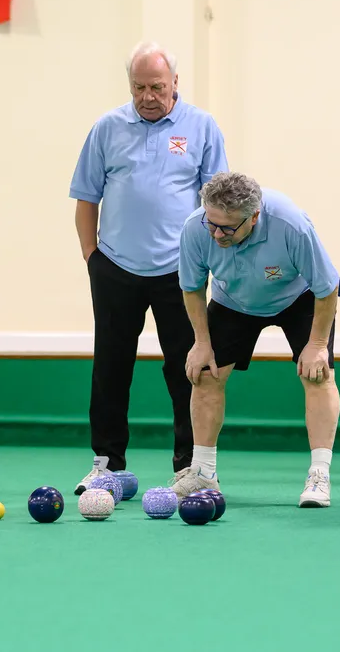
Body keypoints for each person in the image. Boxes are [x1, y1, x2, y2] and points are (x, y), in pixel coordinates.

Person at [69, 41, 229, 493]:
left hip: (182, 273)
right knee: (111, 368)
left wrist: (211, 262)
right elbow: (86, 197)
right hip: (115, 267)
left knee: (188, 368)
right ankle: (106, 463)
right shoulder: (108, 127)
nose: (147, 96)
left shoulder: (202, 127)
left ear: (175, 83)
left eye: (157, 86)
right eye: (138, 87)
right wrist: (91, 258)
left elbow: (218, 205)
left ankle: (189, 465)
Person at [174, 171, 340, 507]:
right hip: (233, 300)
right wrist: (202, 341)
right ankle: (204, 473)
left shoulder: (291, 224)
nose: (217, 234)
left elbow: (328, 288)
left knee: (317, 374)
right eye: (212, 223)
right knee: (206, 374)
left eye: (227, 227)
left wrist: (318, 346)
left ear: (254, 217)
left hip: (299, 297)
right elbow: (192, 287)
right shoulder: (196, 227)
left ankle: (319, 475)